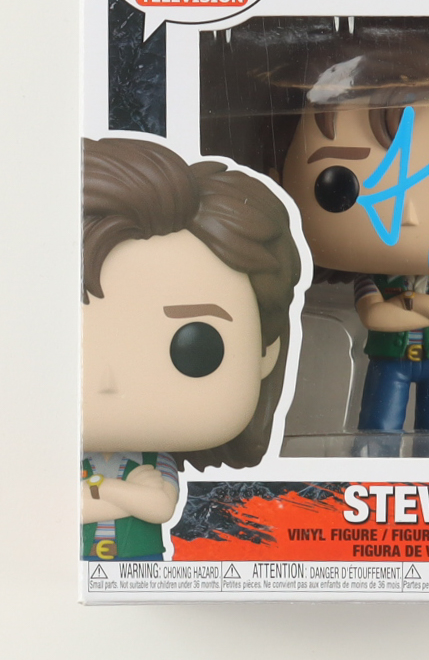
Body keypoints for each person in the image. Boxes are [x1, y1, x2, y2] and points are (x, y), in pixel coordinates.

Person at [202, 18, 429, 448]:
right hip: (391, 360)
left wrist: (409, 304)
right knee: (377, 427)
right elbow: (377, 317)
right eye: (339, 186)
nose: (407, 213)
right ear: (277, 182)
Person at [81, 137, 301, 560]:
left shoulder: (156, 457)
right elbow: (61, 510)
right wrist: (122, 493)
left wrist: (94, 493)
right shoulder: (58, 459)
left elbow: (162, 507)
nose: (108, 382)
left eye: (195, 347)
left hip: (142, 569)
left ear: (266, 350)